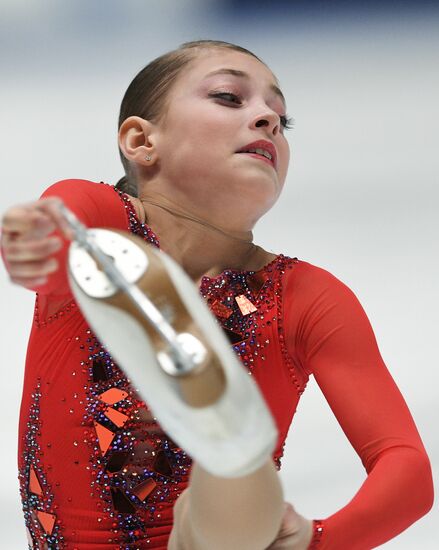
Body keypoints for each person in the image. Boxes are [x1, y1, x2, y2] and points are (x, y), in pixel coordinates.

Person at [0, 39, 433, 550]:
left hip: (208, 535)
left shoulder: (308, 298)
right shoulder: (102, 222)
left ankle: (233, 448)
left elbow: (407, 467)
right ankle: (231, 441)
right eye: (230, 97)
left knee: (225, 488)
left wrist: (316, 541)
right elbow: (59, 236)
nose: (268, 119)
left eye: (281, 118)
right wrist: (34, 241)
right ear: (141, 140)